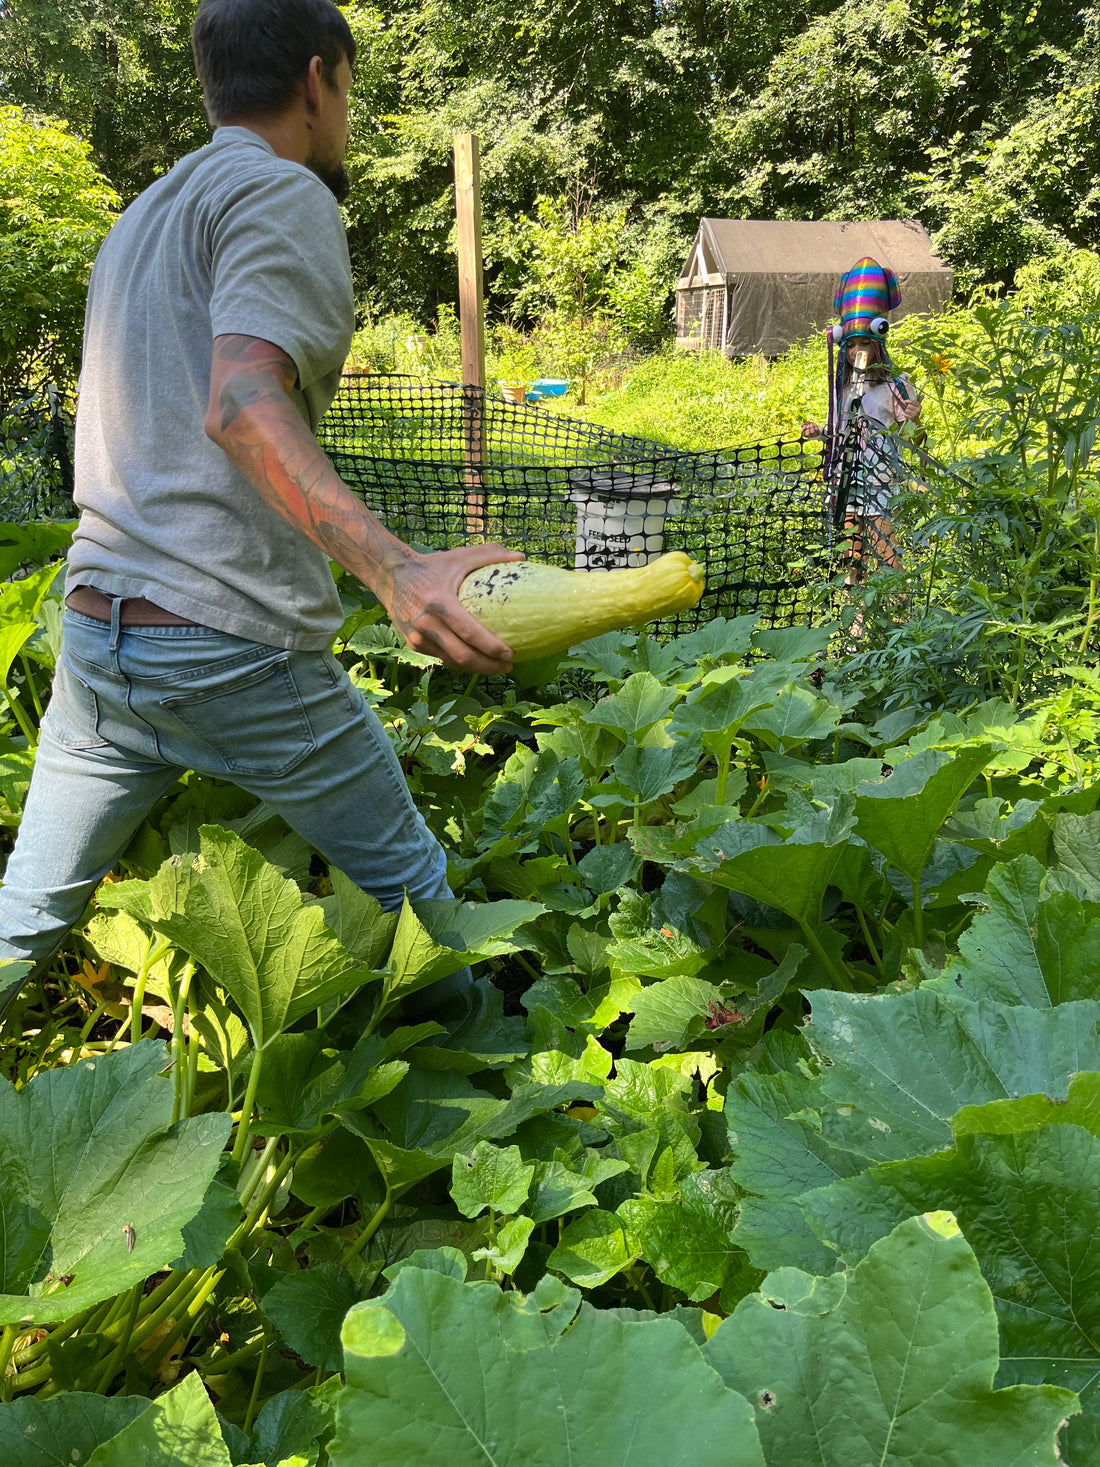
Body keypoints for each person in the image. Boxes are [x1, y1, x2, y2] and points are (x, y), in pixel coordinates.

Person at [0, 0, 522, 1018]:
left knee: (21, 918)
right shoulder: (281, 192)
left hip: (100, 632)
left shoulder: (143, 215)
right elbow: (241, 402)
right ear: (318, 80)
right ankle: (499, 1112)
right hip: (226, 639)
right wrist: (395, 570)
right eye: (351, 96)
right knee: (414, 902)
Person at [801, 257, 924, 578]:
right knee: (850, 554)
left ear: (878, 343)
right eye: (851, 345)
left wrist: (915, 417)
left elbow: (914, 438)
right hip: (846, 480)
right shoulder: (841, 388)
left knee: (886, 553)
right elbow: (839, 430)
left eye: (865, 342)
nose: (858, 351)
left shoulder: (896, 384)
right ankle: (855, 615)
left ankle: (896, 615)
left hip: (880, 479)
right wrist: (819, 432)